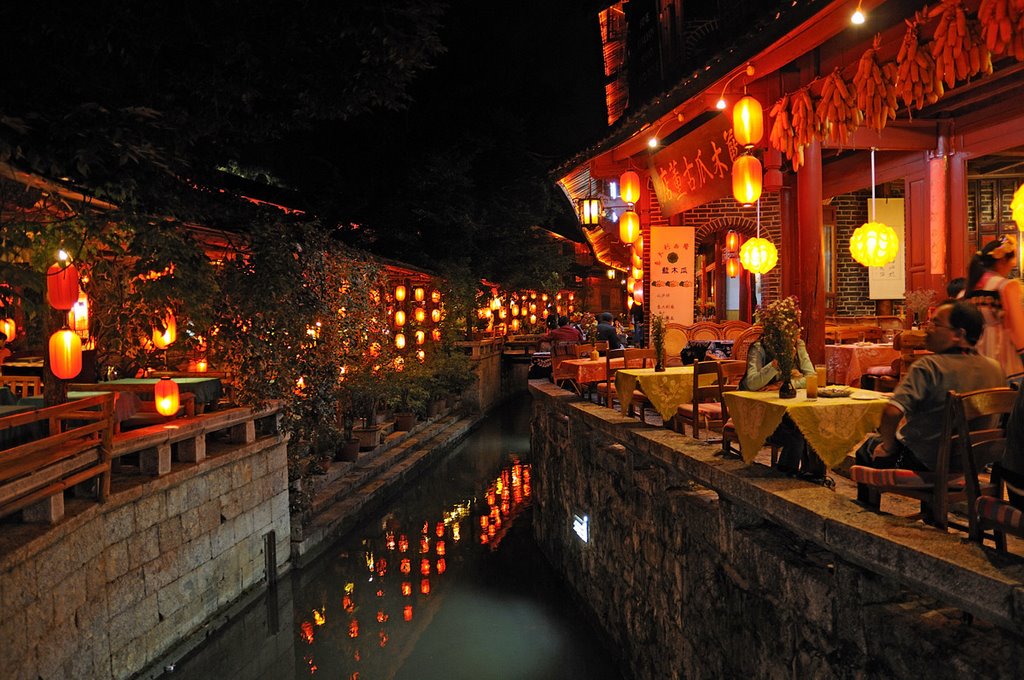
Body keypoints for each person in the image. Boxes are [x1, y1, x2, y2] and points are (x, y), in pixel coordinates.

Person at [855, 301, 1006, 507]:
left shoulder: (928, 367)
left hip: (925, 463)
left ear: (958, 334)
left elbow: (891, 412)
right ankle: (933, 514)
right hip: (972, 463)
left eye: (936, 324)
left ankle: (868, 515)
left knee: (868, 448)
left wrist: (888, 447)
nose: (928, 329)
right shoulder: (995, 368)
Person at [739, 337, 817, 476]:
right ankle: (785, 474)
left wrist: (786, 384)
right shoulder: (759, 348)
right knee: (798, 431)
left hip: (788, 410)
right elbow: (751, 383)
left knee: (814, 425)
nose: (793, 337)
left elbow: (811, 377)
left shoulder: (798, 345)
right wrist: (774, 365)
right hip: (759, 413)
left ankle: (812, 475)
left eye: (796, 332)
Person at [963, 234, 1024, 377]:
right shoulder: (1005, 286)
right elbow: (1016, 326)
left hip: (975, 357)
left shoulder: (969, 289)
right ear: (1002, 259)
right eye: (1013, 258)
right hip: (1002, 355)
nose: (1014, 263)